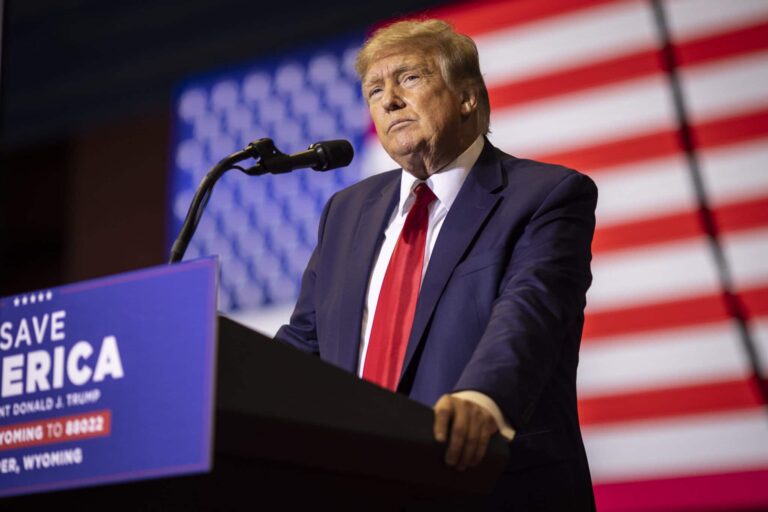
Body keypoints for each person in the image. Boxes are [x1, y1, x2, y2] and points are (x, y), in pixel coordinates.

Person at [275, 18, 597, 510]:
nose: (389, 101)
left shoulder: (544, 196)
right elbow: (304, 344)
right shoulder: (345, 212)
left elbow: (530, 311)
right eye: (374, 90)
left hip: (490, 483)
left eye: (408, 78)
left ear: (468, 97)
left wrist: (482, 398)